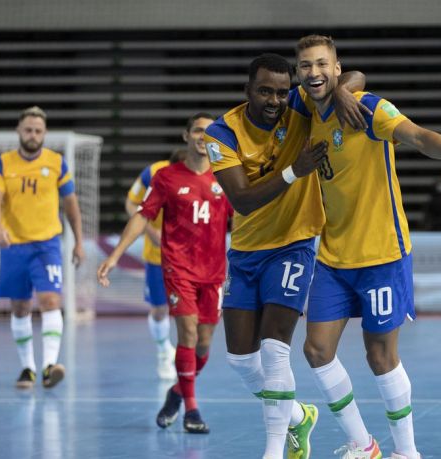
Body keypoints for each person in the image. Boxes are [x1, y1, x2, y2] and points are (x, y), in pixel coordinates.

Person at [296, 35, 441, 459]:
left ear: (335, 65)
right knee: (316, 350)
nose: (313, 73)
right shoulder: (304, 107)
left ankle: (407, 452)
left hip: (383, 254)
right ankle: (364, 445)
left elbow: (417, 135)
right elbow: (348, 78)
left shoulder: (368, 108)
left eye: (322, 65)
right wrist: (344, 86)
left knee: (380, 356)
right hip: (332, 256)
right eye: (305, 66)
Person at [204, 53, 368, 459]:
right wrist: (296, 170)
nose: (275, 100)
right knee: (241, 360)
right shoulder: (222, 132)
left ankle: (273, 451)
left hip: (294, 243)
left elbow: (353, 74)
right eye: (265, 91)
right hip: (245, 253)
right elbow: (242, 200)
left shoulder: (299, 105)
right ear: (247, 91)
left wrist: (345, 93)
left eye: (281, 91)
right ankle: (298, 416)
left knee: (275, 349)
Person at [98, 113, 232, 434]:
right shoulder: (167, 177)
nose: (203, 136)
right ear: (186, 136)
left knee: (204, 344)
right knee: (186, 335)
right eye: (198, 130)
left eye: (209, 132)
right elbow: (143, 216)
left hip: (213, 273)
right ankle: (192, 410)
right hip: (178, 268)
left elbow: (241, 220)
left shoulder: (226, 177)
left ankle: (176, 392)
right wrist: (115, 255)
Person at [0, 106, 84, 389]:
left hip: (47, 244)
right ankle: (27, 368)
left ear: (45, 134)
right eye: (28, 130)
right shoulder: (4, 163)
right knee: (19, 306)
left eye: (38, 131)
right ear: (19, 131)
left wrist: (78, 241)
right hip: (14, 244)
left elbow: (72, 207)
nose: (33, 135)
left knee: (51, 300)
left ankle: (49, 366)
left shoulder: (57, 163)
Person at [125, 148, 188, 381]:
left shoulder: (208, 172)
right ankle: (164, 353)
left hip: (192, 256)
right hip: (157, 256)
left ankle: (187, 358)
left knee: (191, 312)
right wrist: (150, 231)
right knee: (160, 309)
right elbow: (131, 204)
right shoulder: (152, 172)